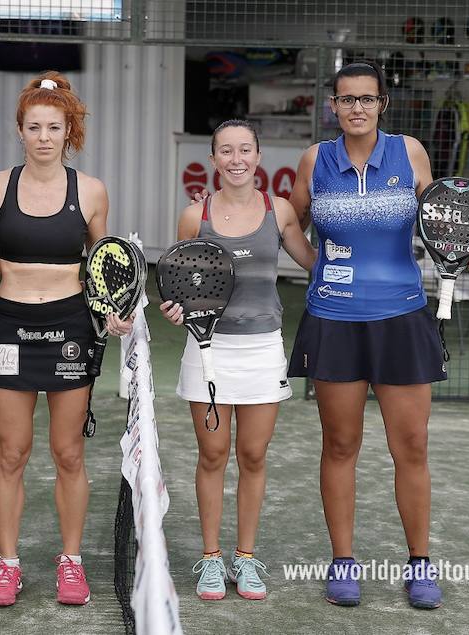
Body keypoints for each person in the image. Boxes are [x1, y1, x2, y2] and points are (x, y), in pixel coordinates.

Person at [287, 62, 469, 609]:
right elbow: (289, 219)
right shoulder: (316, 159)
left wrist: (461, 248)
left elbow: (444, 219)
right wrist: (317, 266)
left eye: (367, 99)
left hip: (402, 317)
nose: (357, 108)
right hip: (334, 320)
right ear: (333, 105)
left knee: (413, 446)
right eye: (347, 99)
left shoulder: (411, 153)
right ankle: (343, 562)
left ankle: (420, 562)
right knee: (340, 444)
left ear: (382, 105)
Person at [0, 71, 130, 607]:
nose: (43, 135)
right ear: (20, 130)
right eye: (34, 126)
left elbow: (105, 261)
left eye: (53, 127)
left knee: (68, 454)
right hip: (11, 326)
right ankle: (8, 565)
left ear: (69, 132)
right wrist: (3, 269)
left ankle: (71, 563)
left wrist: (114, 311)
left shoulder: (91, 191)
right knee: (11, 452)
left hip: (70, 326)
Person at [159, 120, 316, 601]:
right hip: (207, 350)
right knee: (212, 455)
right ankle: (210, 559)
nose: (235, 159)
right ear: (213, 160)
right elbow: (182, 283)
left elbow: (317, 263)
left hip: (263, 348)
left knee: (252, 456)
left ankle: (245, 558)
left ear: (258, 155)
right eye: (225, 151)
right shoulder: (194, 216)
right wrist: (175, 310)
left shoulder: (281, 211)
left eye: (244, 150)